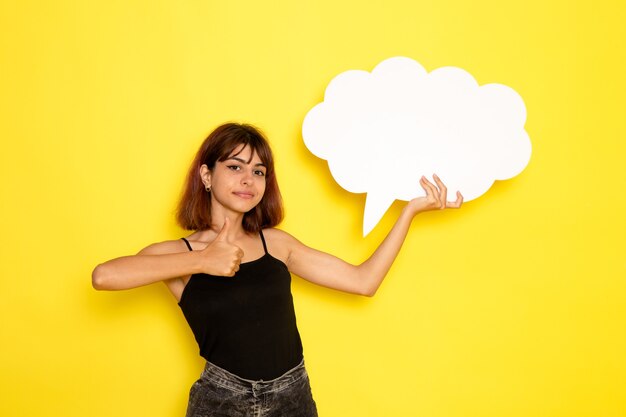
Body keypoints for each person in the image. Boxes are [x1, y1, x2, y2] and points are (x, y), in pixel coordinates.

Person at [92, 122, 463, 417]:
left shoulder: (278, 244)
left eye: (258, 171)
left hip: (293, 398)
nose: (248, 180)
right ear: (207, 176)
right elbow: (104, 276)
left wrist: (409, 212)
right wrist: (203, 260)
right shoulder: (179, 254)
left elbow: (364, 281)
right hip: (222, 401)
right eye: (234, 167)